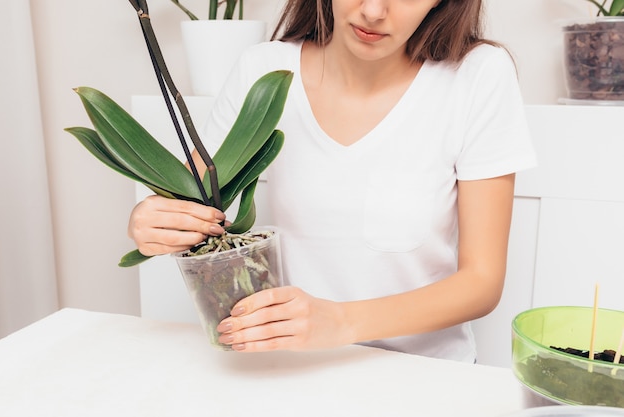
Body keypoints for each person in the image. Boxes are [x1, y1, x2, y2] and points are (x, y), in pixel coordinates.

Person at [128, 0, 537, 362]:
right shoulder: (267, 70)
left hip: (423, 375)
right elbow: (195, 200)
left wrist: (340, 322)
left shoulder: (476, 74)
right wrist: (155, 221)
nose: (374, 11)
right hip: (291, 370)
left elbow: (481, 282)